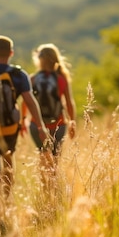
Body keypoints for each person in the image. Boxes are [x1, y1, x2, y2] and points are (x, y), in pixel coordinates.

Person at [0, 35, 49, 237]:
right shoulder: (19, 74)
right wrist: (40, 124)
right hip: (11, 130)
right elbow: (30, 100)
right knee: (8, 163)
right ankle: (7, 202)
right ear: (11, 53)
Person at [22, 43, 76, 193]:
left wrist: (22, 121)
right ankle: (53, 188)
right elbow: (69, 103)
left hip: (36, 125)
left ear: (40, 59)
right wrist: (72, 123)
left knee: (43, 156)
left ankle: (45, 189)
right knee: (55, 159)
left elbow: (25, 102)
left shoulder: (32, 79)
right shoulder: (61, 78)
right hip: (59, 124)